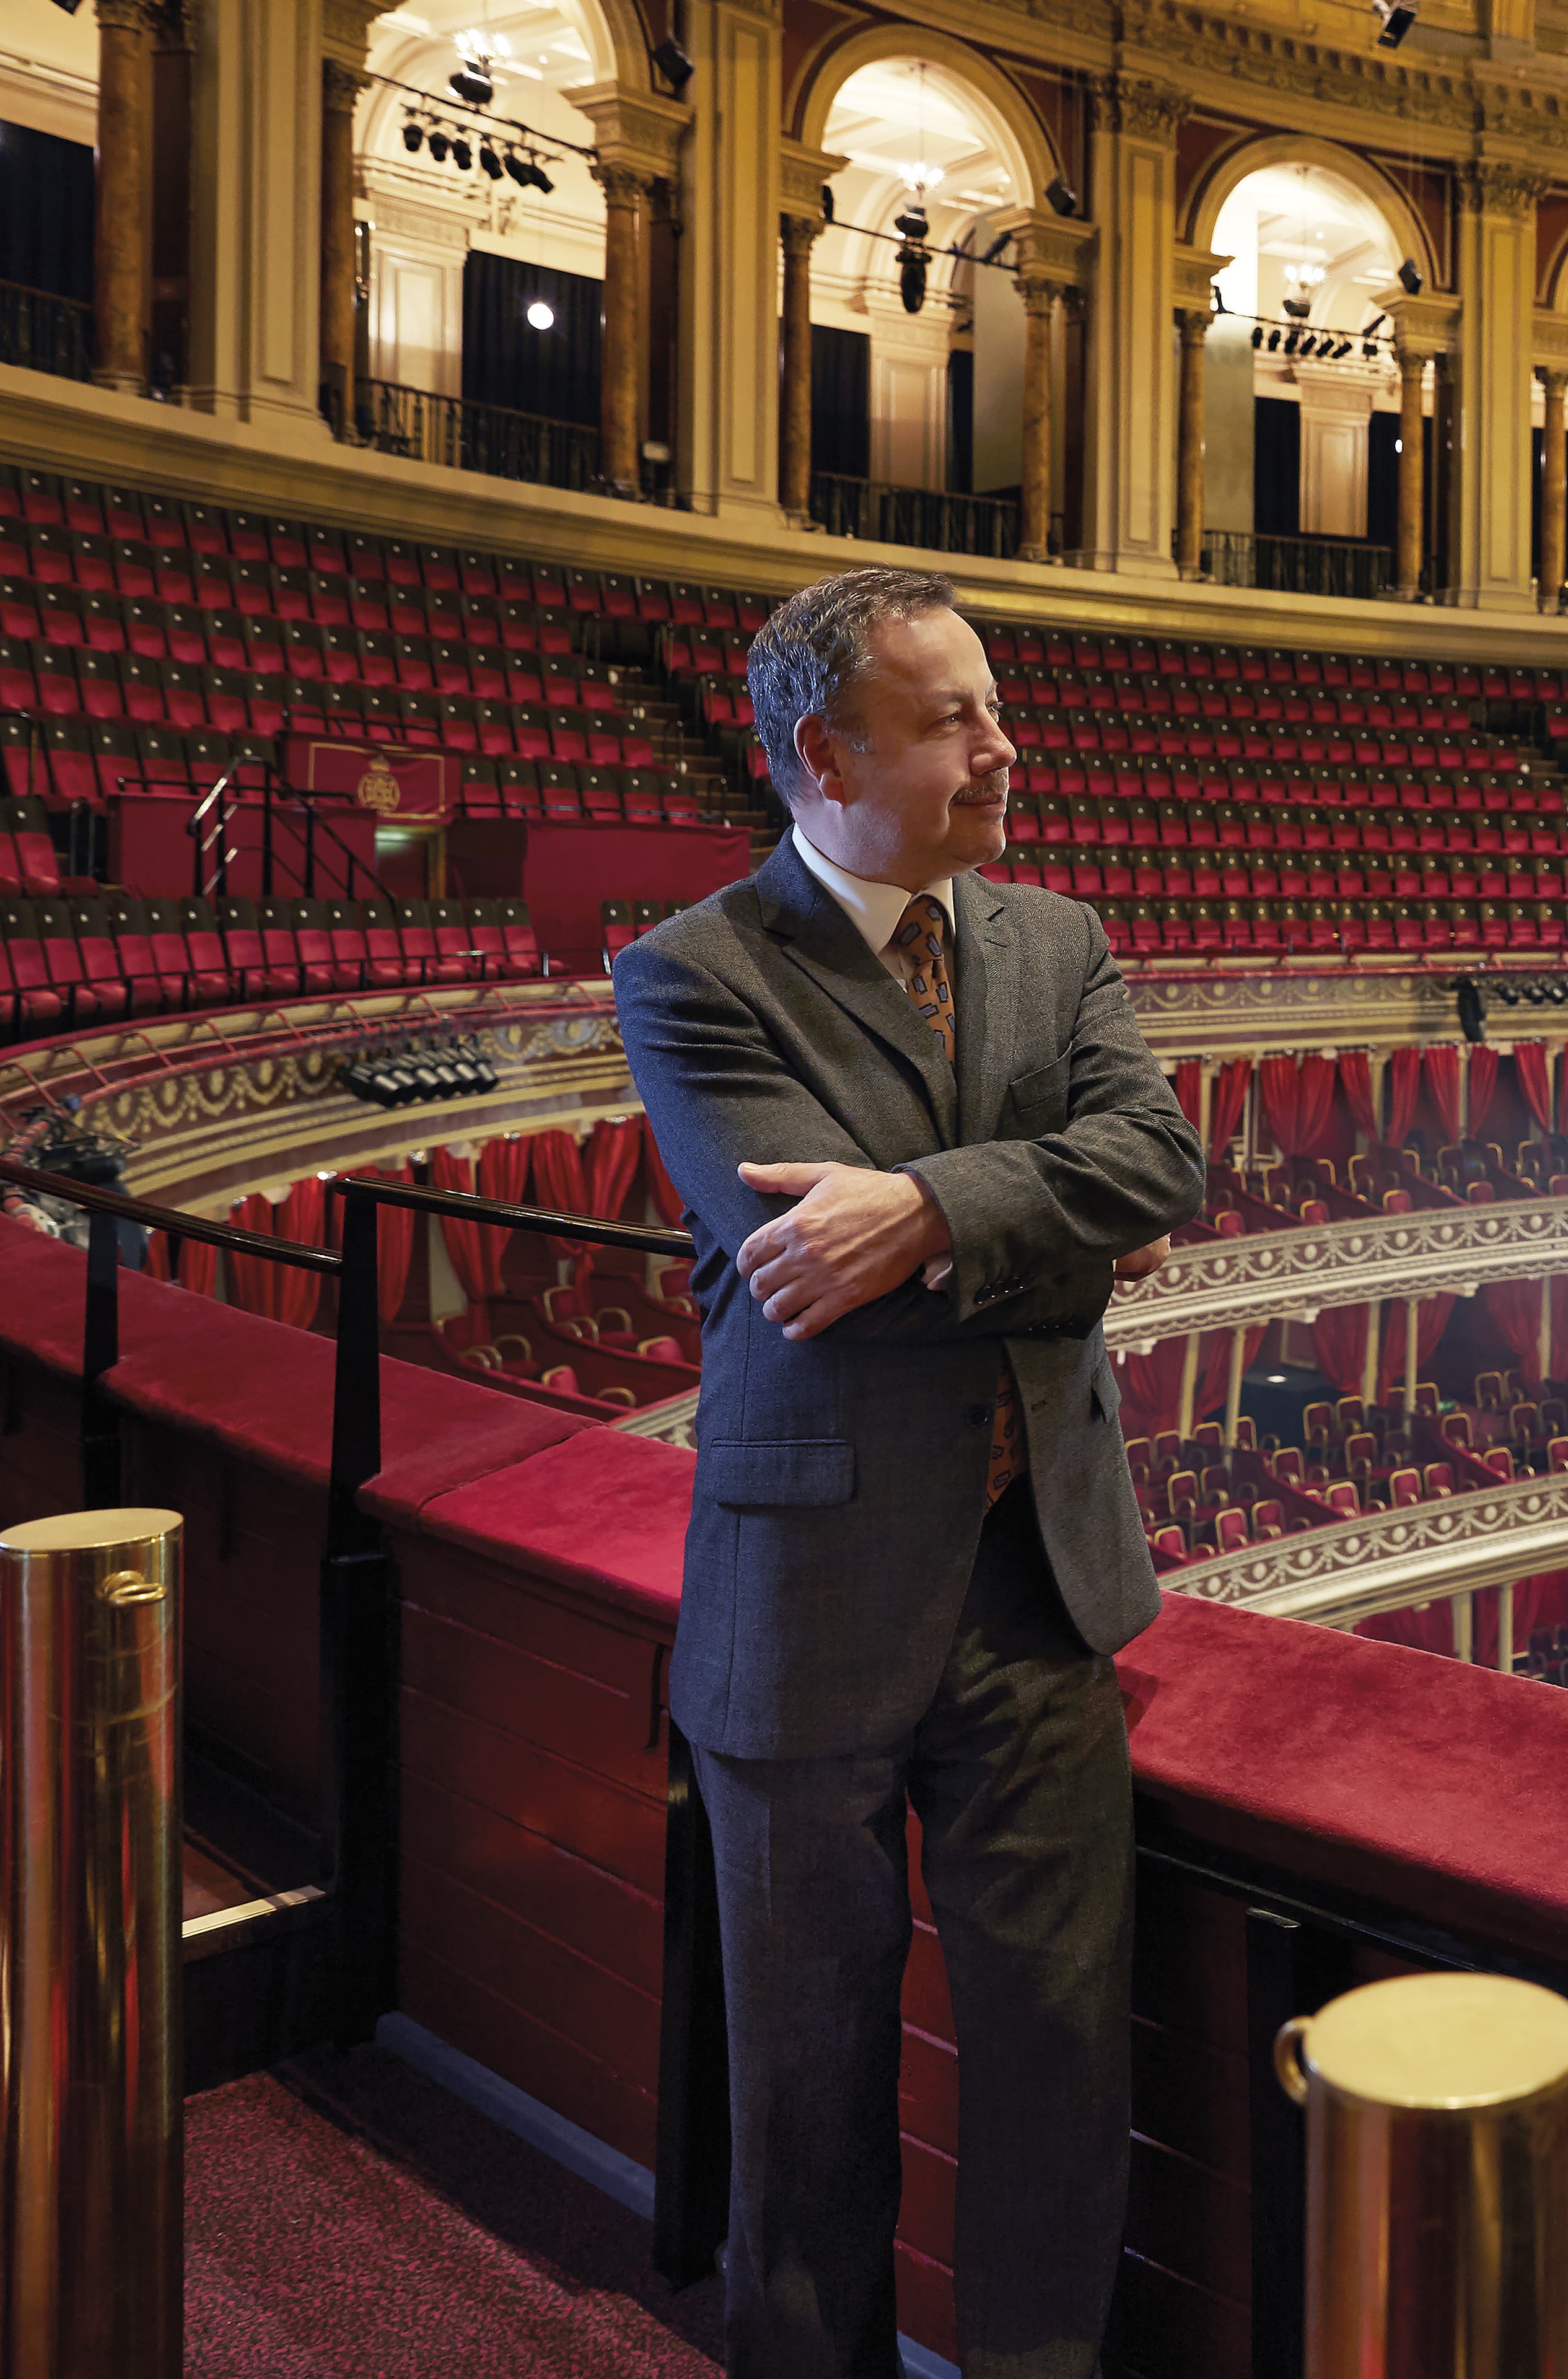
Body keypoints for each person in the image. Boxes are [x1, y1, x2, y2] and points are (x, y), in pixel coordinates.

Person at [612, 566, 1204, 2379]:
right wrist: (1051, 1227)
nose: (1000, 749)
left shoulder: (1058, 941)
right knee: (805, 2104)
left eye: (993, 710)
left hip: (1041, 1595)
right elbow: (804, 1264)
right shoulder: (693, 972)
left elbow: (1160, 1167)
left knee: (1057, 2072)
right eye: (953, 720)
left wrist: (936, 1208)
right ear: (822, 752)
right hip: (805, 1616)